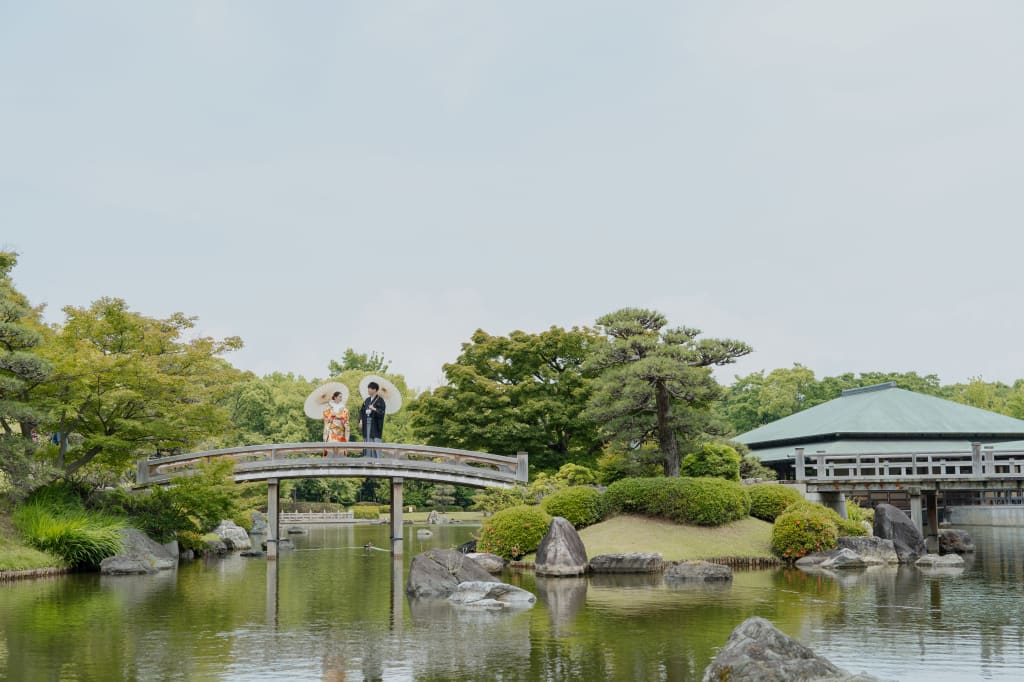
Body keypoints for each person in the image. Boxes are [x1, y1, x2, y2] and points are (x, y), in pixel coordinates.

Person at [359, 381, 386, 458]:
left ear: (375, 390)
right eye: (368, 389)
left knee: (374, 440)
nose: (368, 390)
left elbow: (382, 412)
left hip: (374, 425)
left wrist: (374, 408)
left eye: (370, 389)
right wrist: (361, 420)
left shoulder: (380, 400)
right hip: (366, 423)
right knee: (366, 439)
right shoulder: (367, 400)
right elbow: (361, 411)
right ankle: (367, 458)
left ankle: (376, 460)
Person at [322, 391, 349, 456]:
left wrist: (336, 415)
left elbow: (345, 418)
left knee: (341, 446)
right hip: (332, 430)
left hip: (340, 430)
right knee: (330, 445)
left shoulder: (344, 408)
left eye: (341, 397)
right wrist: (331, 415)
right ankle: (330, 463)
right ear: (335, 397)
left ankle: (341, 463)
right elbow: (326, 417)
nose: (341, 398)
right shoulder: (329, 407)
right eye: (340, 397)